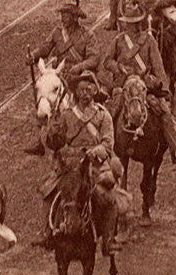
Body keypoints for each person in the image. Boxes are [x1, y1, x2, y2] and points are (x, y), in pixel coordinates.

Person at [43, 71, 121, 254]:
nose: (85, 93)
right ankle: (47, 232)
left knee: (108, 198)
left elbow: (108, 143)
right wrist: (52, 132)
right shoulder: (66, 115)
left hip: (95, 166)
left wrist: (95, 152)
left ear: (95, 91)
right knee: (48, 191)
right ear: (76, 93)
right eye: (81, 90)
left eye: (88, 89)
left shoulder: (103, 115)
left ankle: (108, 239)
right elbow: (55, 143)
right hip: (70, 166)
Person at [102, 0, 176, 163]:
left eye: (134, 23)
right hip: (123, 84)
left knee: (163, 111)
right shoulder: (118, 40)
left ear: (139, 23)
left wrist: (164, 90)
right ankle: (108, 150)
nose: (131, 26)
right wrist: (119, 67)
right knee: (112, 112)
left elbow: (158, 67)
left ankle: (175, 148)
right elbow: (107, 61)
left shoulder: (149, 40)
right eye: (129, 23)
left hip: (145, 84)